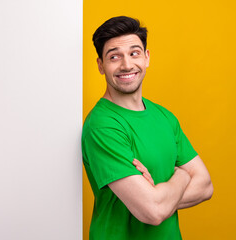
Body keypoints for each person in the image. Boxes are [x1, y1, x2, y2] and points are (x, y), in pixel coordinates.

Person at [81, 16, 213, 240]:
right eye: (114, 57)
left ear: (147, 57)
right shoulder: (102, 126)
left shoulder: (165, 117)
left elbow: (205, 186)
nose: (126, 65)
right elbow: (153, 212)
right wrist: (181, 175)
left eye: (134, 53)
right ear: (101, 66)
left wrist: (158, 197)